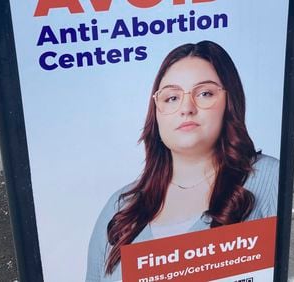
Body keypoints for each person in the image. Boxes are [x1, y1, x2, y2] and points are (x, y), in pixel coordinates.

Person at [86, 40, 279, 281]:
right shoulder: (120, 205)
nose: (186, 108)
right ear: (156, 113)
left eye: (205, 93)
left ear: (230, 102)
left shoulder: (270, 178)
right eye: (172, 98)